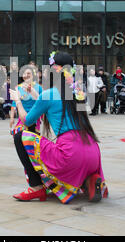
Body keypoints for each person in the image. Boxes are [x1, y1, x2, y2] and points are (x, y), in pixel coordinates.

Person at [10, 51, 107, 203]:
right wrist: (35, 93)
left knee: (19, 136)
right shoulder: (77, 93)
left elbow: (27, 121)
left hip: (72, 154)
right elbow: (55, 105)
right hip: (93, 152)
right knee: (76, 161)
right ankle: (89, 179)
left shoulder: (48, 95)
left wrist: (17, 101)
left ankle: (36, 187)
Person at [9, 66, 42, 135]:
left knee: (31, 136)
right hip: (22, 117)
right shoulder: (18, 88)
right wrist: (11, 118)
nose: (26, 75)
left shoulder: (38, 87)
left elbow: (43, 103)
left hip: (35, 117)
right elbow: (13, 104)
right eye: (24, 73)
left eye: (28, 73)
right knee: (21, 136)